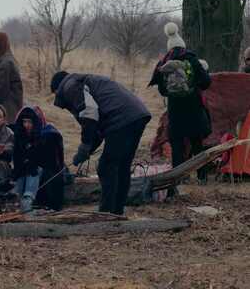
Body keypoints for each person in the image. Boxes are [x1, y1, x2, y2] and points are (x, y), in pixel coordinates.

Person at [51, 71, 151, 215]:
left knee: (106, 166)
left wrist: (84, 146)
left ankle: (106, 212)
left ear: (56, 89)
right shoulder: (83, 81)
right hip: (137, 114)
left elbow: (90, 114)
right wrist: (88, 150)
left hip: (121, 118)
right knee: (122, 165)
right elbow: (96, 127)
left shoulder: (68, 86)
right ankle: (117, 212)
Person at [149, 22, 212, 190]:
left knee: (176, 146)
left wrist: (172, 92)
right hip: (194, 109)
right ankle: (202, 178)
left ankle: (176, 182)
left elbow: (162, 90)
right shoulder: (191, 58)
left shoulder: (164, 62)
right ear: (183, 44)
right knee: (198, 144)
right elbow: (206, 82)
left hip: (175, 111)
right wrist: (194, 85)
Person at [13, 106, 66, 211]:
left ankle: (28, 200)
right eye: (24, 122)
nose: (27, 125)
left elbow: (51, 162)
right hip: (27, 172)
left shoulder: (49, 135)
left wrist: (31, 162)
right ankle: (16, 199)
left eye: (30, 122)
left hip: (47, 175)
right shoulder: (21, 135)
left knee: (33, 170)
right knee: (21, 172)